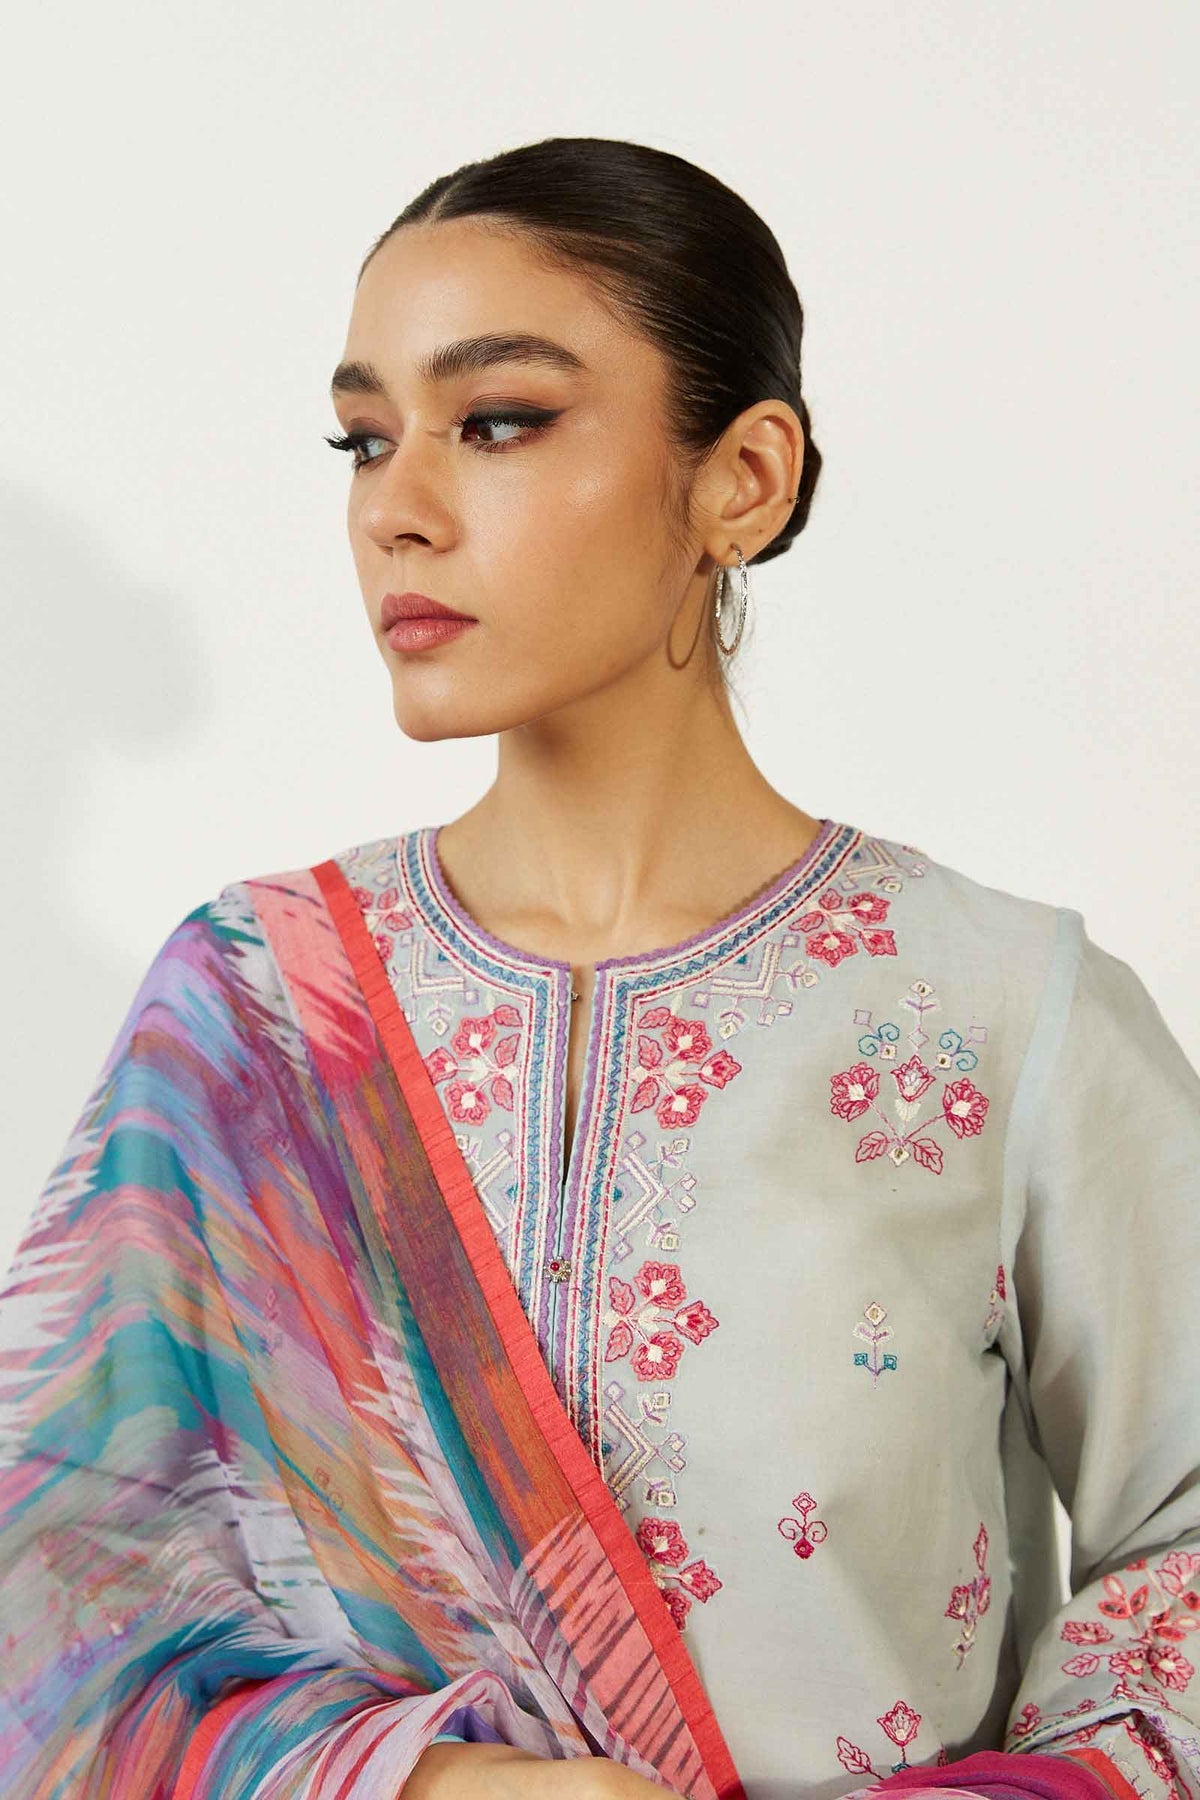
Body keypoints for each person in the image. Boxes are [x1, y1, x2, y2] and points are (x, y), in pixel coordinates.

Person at [1, 135, 1196, 1800]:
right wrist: (441, 1786)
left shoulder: (1004, 1012)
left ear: (744, 480)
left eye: (497, 421)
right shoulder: (253, 1014)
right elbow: (58, 1597)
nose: (396, 510)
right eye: (365, 439)